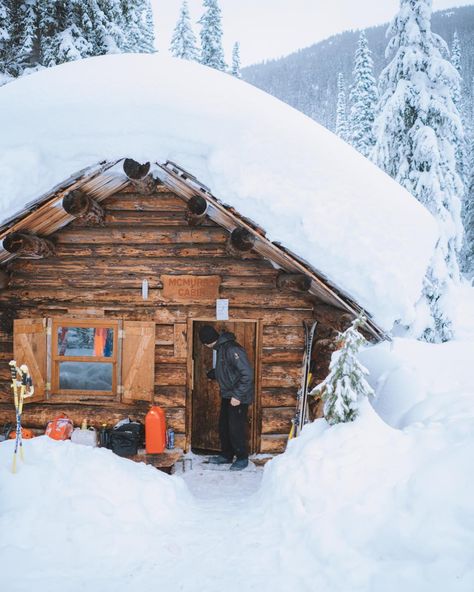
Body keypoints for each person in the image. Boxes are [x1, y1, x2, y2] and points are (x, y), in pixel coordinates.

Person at [198, 325, 254, 471]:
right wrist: (215, 373)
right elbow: (228, 370)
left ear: (208, 341)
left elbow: (247, 374)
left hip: (238, 396)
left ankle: (242, 458)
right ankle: (226, 455)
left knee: (236, 428)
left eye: (205, 343)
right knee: (224, 426)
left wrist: (238, 396)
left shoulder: (232, 349)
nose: (205, 346)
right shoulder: (221, 349)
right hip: (228, 394)